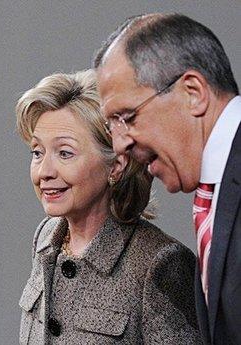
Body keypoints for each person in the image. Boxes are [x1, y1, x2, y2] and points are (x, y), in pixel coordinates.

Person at [16, 69, 201, 344]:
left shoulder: (159, 263)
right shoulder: (45, 236)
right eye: (37, 152)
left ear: (115, 166)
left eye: (65, 153)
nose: (44, 171)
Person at [93, 13, 241, 345]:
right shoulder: (214, 191)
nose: (120, 144)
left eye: (127, 117)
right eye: (111, 125)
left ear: (193, 92)